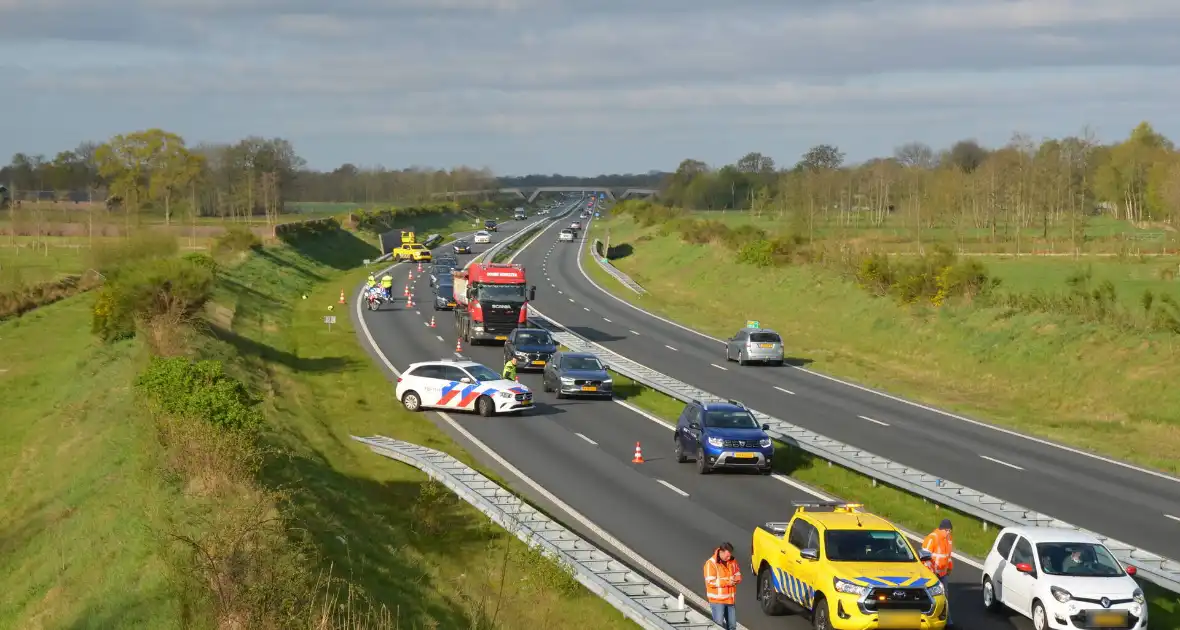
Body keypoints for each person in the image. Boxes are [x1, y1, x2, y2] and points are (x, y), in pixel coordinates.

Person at [922, 518, 954, 627]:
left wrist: (949, 568)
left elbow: (948, 557)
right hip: (933, 574)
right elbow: (924, 558)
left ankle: (947, 621)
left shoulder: (948, 539)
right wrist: (931, 573)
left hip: (943, 574)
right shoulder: (932, 538)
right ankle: (929, 620)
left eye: (950, 531)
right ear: (942, 529)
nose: (949, 533)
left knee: (945, 597)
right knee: (932, 597)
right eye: (947, 531)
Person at [703, 542, 741, 630]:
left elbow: (738, 574)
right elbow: (710, 582)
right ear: (721, 552)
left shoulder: (732, 561)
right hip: (717, 601)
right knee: (718, 626)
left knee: (732, 626)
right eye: (727, 556)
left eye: (730, 556)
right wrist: (728, 582)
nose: (728, 558)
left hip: (730, 600)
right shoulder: (710, 564)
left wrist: (736, 579)